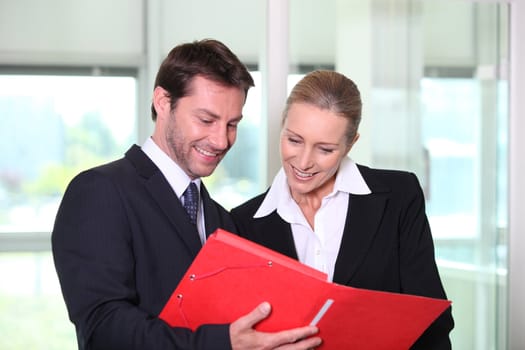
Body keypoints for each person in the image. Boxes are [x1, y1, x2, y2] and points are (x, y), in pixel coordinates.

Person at [52, 39, 322, 350]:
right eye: (206, 120)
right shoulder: (100, 192)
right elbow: (104, 328)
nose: (221, 140)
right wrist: (224, 344)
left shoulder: (222, 219)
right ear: (163, 102)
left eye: (232, 124)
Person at [230, 70, 454, 349]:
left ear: (350, 144)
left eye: (325, 149)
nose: (304, 161)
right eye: (294, 140)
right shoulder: (242, 224)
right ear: (282, 126)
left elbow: (432, 321)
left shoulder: (399, 197)